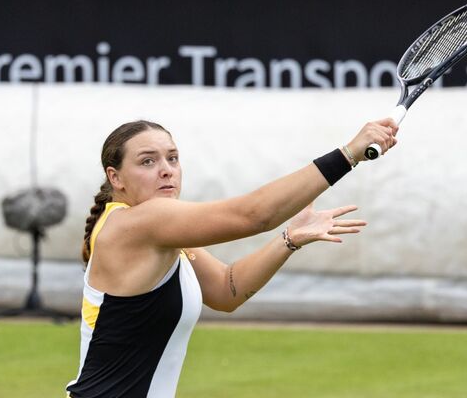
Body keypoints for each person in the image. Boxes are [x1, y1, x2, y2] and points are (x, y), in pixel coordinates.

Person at [66, 118, 398, 397]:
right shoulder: (142, 222)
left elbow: (227, 290)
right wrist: (348, 154)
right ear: (115, 177)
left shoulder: (161, 233)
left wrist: (289, 239)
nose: (166, 170)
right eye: (147, 162)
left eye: (173, 158)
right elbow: (253, 215)